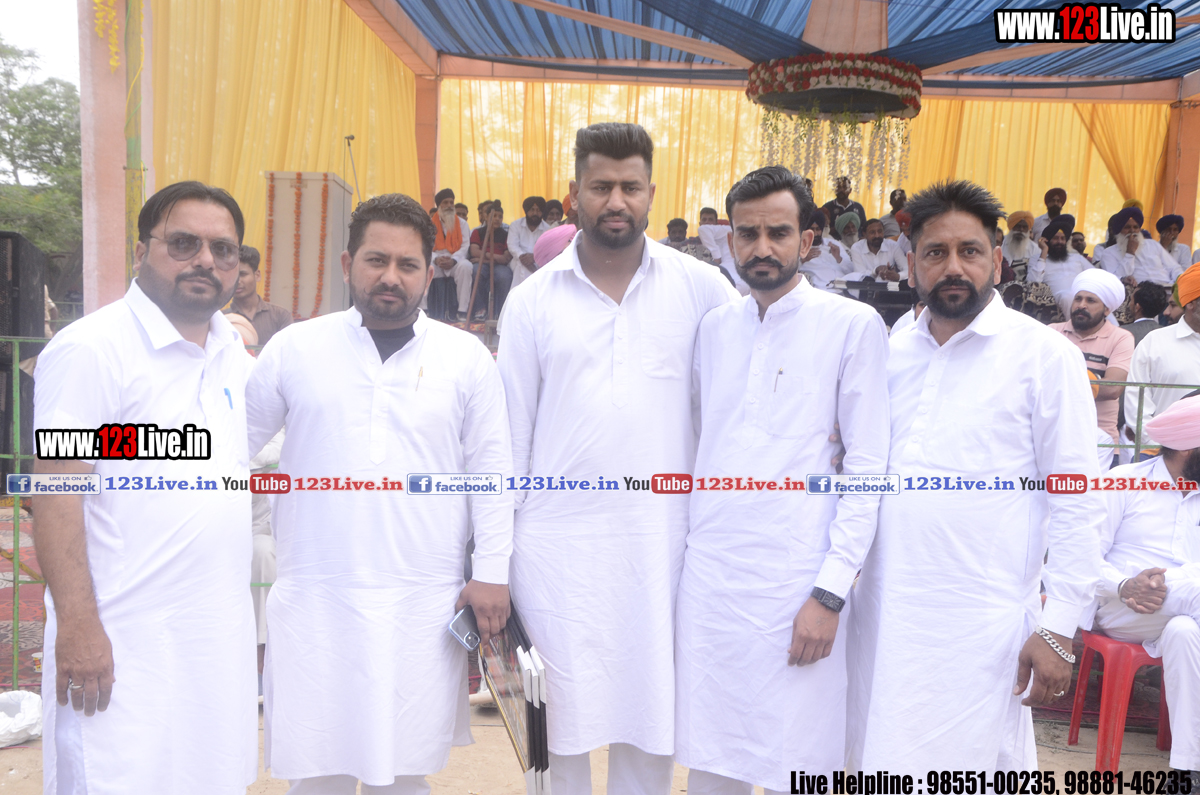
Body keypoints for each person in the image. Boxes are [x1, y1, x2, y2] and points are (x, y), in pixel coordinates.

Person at [497, 122, 738, 795]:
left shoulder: (703, 289)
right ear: (574, 194)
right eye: (600, 186)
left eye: (630, 187)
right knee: (557, 728)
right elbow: (510, 437)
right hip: (554, 551)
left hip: (662, 545)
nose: (616, 200)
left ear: (652, 194)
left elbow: (731, 412)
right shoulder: (532, 301)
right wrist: (495, 554)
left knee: (649, 724)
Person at [246, 192, 513, 795]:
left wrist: (492, 571)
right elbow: (227, 445)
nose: (391, 276)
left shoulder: (466, 358)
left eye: (407, 264)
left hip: (420, 599)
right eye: (376, 260)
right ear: (348, 265)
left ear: (429, 271)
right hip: (317, 595)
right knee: (317, 770)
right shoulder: (295, 348)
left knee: (405, 770)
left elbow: (492, 472)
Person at [847, 180, 1102, 772]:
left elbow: (1077, 500)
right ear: (912, 266)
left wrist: (1059, 627)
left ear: (998, 262)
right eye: (936, 252)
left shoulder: (1044, 355)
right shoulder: (893, 349)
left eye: (970, 251)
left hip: (982, 626)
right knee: (874, 759)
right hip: (885, 617)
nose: (954, 267)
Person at [32, 181, 258, 793]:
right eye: (183, 243)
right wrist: (78, 626)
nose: (205, 260)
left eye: (223, 249)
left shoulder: (232, 356)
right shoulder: (92, 350)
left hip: (213, 644)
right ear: (140, 252)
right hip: (120, 645)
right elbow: (56, 495)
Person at [676, 166, 890, 795]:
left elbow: (867, 468)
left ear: (809, 239)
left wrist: (830, 594)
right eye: (748, 234)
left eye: (778, 232)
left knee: (801, 759)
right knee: (712, 757)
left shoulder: (852, 324)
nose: (762, 247)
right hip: (712, 580)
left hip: (797, 579)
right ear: (730, 241)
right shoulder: (714, 329)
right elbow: (705, 444)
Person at [1091, 395, 1200, 778]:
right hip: (1123, 607)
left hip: (1186, 611)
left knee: (1185, 632)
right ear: (1187, 446)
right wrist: (1125, 585)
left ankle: (1187, 771)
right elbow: (1080, 560)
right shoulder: (1122, 482)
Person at [1048, 269, 1134, 469]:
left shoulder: (1120, 338)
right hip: (1053, 437)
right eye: (1078, 299)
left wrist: (1060, 383)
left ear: (1107, 309)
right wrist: (1092, 382)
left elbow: (1112, 388)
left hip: (1100, 442)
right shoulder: (1052, 332)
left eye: (1090, 300)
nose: (1081, 305)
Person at [1125, 264, 1200, 451]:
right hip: (1163, 455)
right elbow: (1136, 401)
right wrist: (1159, 448)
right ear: (1190, 303)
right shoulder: (1155, 341)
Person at [224, 244, 293, 346]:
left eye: (242, 274)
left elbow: (288, 350)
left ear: (257, 275)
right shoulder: (220, 320)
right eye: (232, 276)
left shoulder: (280, 316)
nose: (237, 281)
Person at [1100, 207, 1182, 288]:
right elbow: (1114, 279)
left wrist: (1179, 282)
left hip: (1167, 287)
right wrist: (1130, 253)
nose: (1132, 231)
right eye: (1127, 227)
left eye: (1135, 227)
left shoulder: (1152, 244)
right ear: (1119, 230)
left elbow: (1174, 268)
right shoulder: (1109, 253)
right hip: (1138, 292)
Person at [1027, 215, 1090, 317]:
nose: (1060, 242)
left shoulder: (1076, 257)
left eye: (1062, 238)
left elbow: (1096, 274)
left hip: (1083, 292)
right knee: (1067, 296)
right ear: (1047, 240)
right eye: (1055, 238)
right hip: (1062, 296)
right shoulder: (1037, 259)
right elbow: (1033, 282)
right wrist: (1044, 252)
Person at [428, 188, 475, 321]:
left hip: (455, 260)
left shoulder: (462, 224)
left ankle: (462, 311)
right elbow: (425, 247)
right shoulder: (429, 225)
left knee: (466, 266)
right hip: (436, 261)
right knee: (424, 267)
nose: (449, 205)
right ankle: (424, 310)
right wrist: (436, 259)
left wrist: (453, 260)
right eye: (445, 202)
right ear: (439, 205)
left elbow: (465, 246)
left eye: (451, 202)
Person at [470, 202, 514, 319]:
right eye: (494, 216)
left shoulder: (506, 234)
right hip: (482, 265)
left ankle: (501, 311)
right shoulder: (477, 232)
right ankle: (480, 309)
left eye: (500, 216)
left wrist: (486, 257)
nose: (497, 219)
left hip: (498, 266)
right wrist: (493, 257)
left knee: (505, 276)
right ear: (486, 217)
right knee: (476, 272)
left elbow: (505, 258)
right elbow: (474, 251)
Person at [799, 210, 851, 292]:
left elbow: (851, 270)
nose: (815, 233)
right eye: (812, 229)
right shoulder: (800, 248)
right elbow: (788, 272)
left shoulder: (834, 244)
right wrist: (803, 260)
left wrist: (839, 258)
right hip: (823, 289)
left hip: (846, 286)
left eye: (818, 229)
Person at [508, 196, 551, 289]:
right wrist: (523, 258)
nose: (535, 213)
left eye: (538, 210)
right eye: (532, 210)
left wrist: (534, 258)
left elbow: (548, 249)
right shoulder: (516, 225)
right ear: (526, 211)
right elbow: (512, 245)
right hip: (518, 259)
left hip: (539, 261)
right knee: (521, 266)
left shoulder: (548, 229)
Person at [1121, 281, 1169, 346]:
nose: (1129, 304)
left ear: (1137, 307)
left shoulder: (1122, 333)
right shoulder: (1167, 333)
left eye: (1131, 300)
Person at [1000, 210, 1039, 279]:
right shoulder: (1001, 243)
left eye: (1024, 227)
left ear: (1028, 229)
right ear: (1012, 227)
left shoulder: (1034, 249)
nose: (1021, 229)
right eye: (1018, 226)